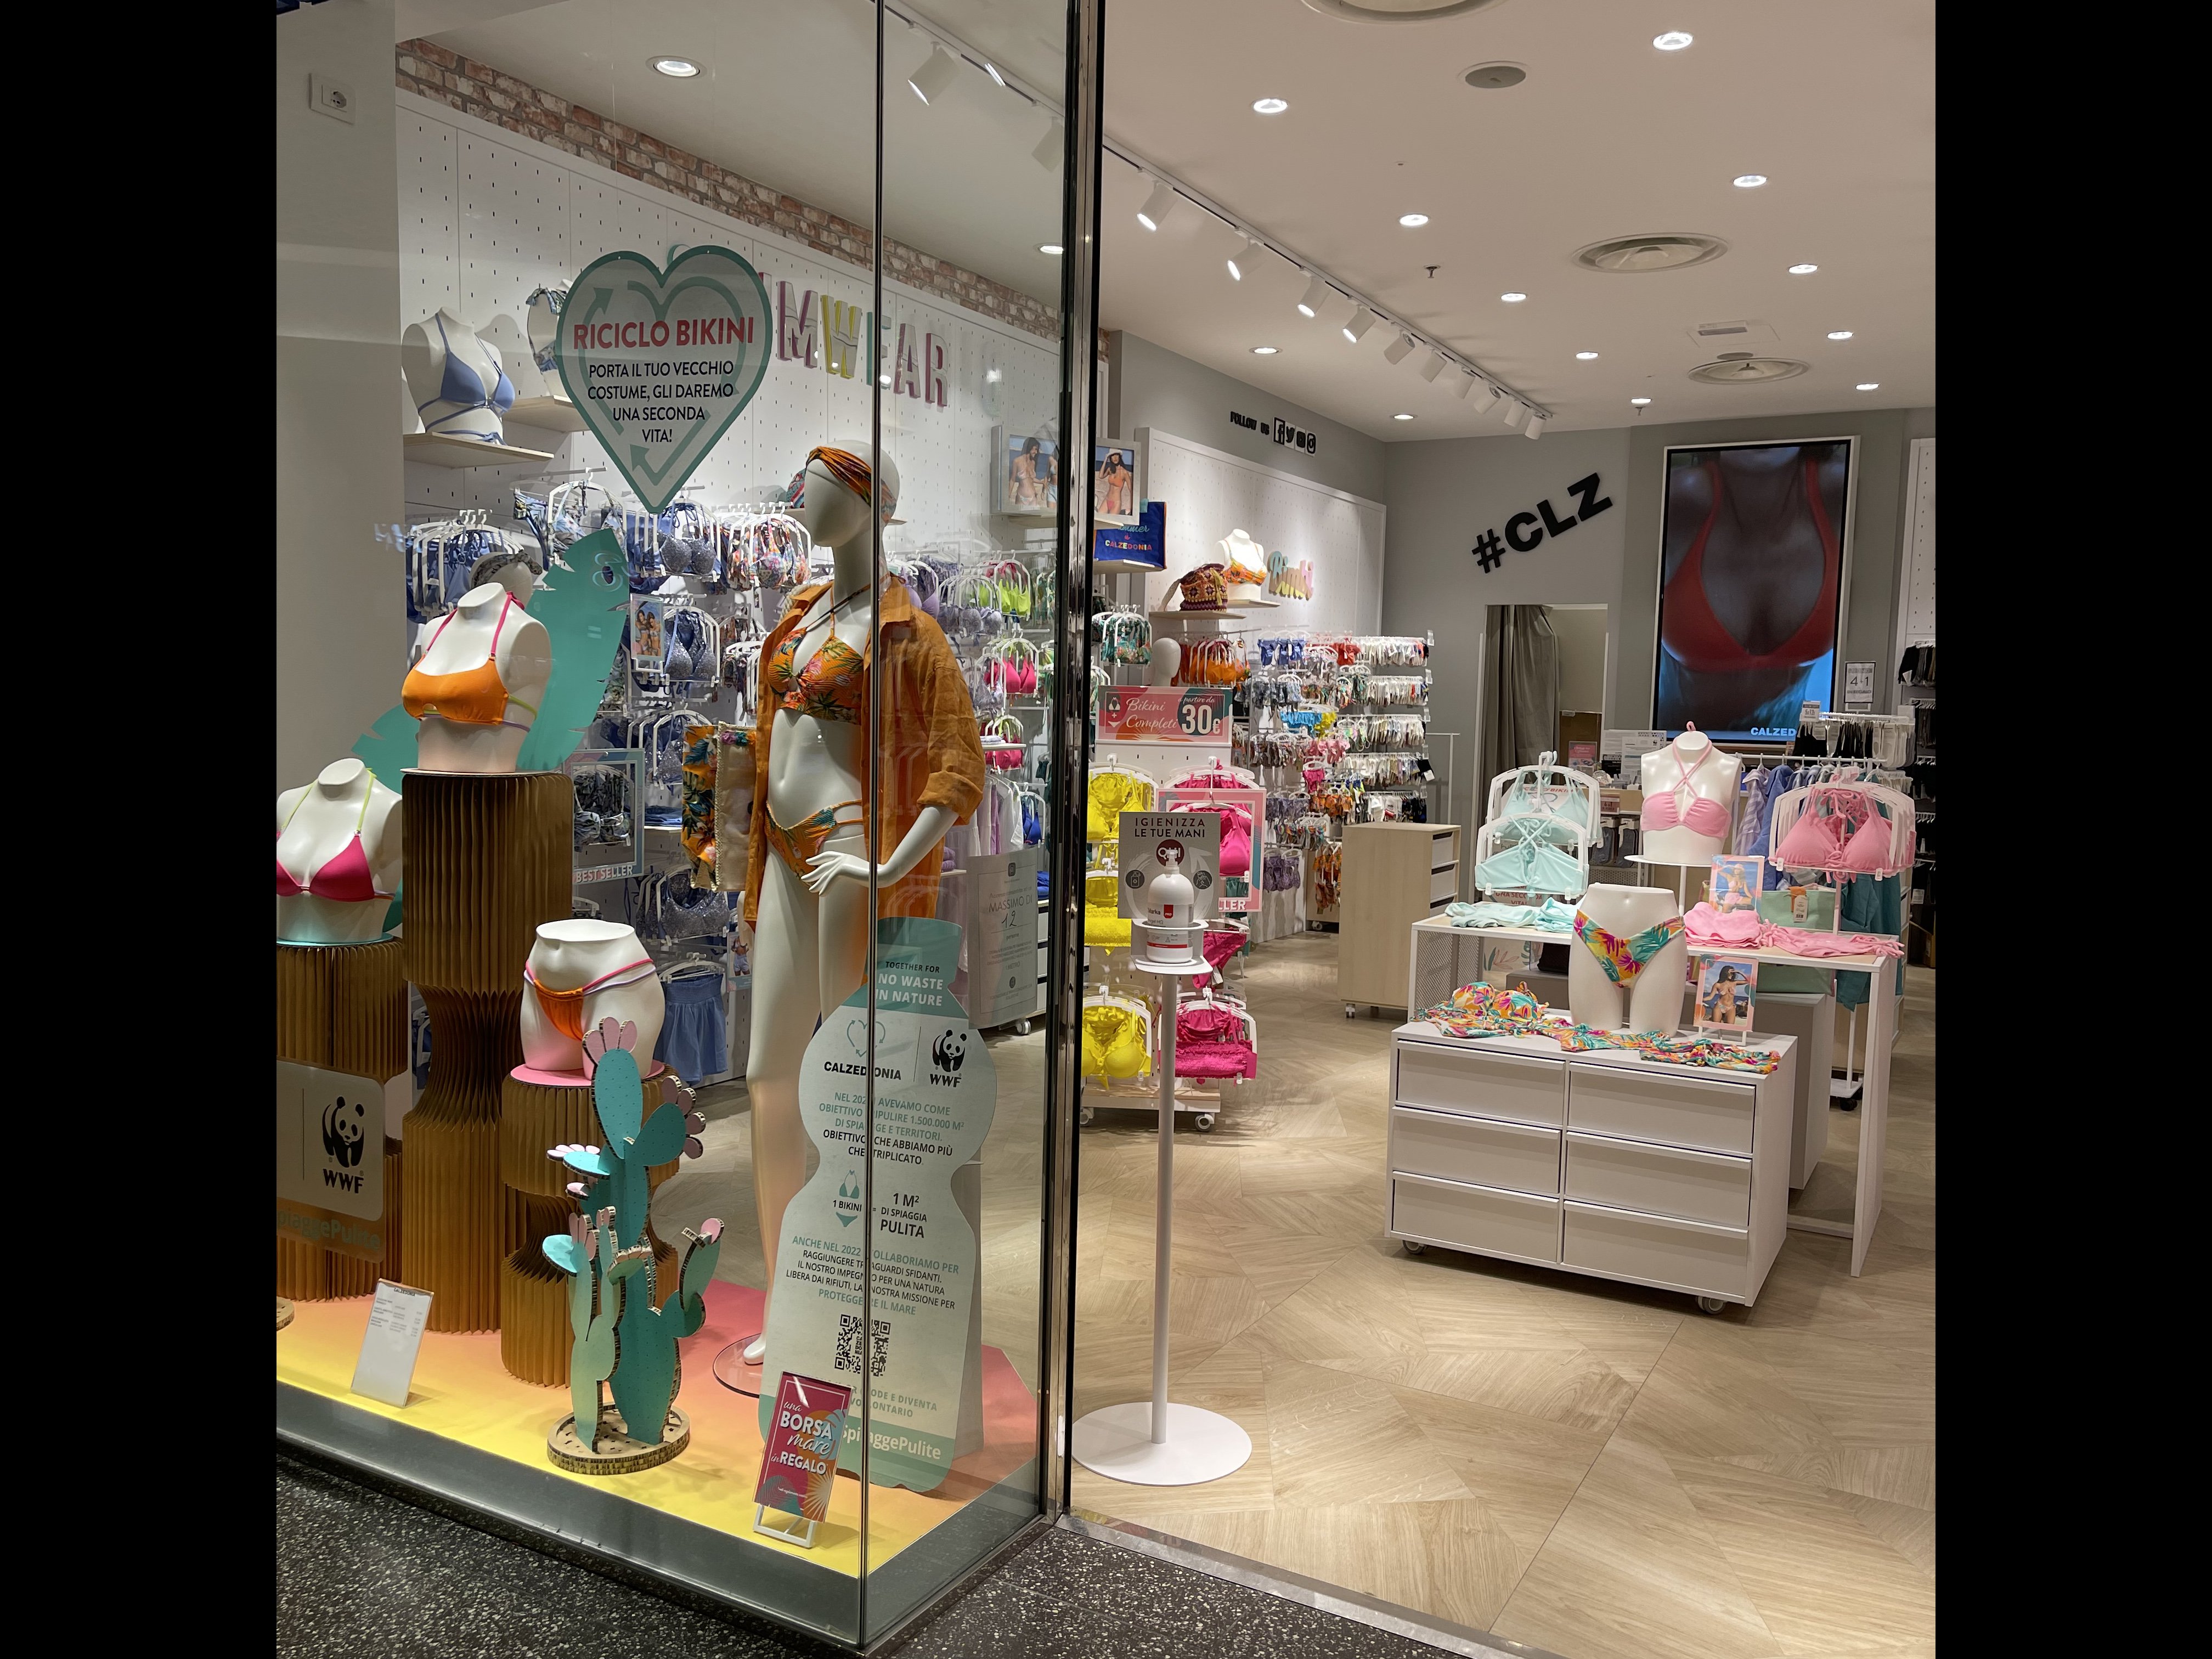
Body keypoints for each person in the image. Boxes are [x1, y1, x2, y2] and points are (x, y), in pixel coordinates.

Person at [1658, 442, 1849, 737]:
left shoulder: (1840, 493)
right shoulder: (1680, 500)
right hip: (1677, 747)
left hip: (1786, 752)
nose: (1768, 441)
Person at [1011, 435, 1048, 510]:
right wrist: (1008, 495)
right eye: (1035, 449)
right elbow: (1012, 480)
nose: (1036, 452)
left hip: (1033, 497)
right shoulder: (1017, 461)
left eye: (1037, 450)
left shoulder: (1033, 462)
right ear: (1029, 447)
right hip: (1021, 497)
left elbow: (1031, 479)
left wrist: (1042, 483)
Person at [1095, 448, 1131, 516]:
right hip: (1107, 500)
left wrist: (1132, 506)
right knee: (1099, 518)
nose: (1115, 457)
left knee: (1110, 522)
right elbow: (1101, 476)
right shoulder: (1110, 470)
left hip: (1116, 503)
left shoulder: (1124, 472)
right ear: (1110, 458)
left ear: (1120, 457)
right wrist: (1105, 459)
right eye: (1112, 456)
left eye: (1117, 455)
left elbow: (1131, 490)